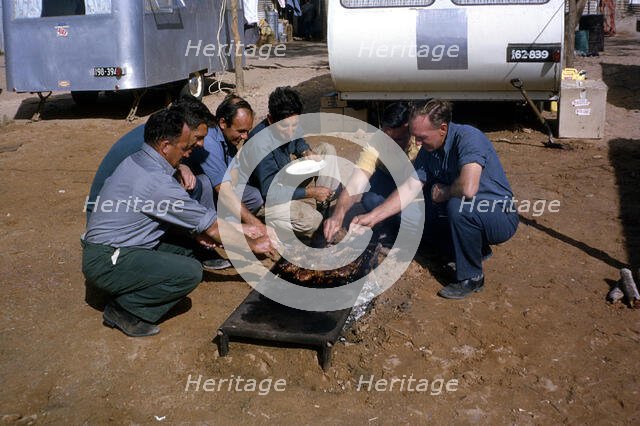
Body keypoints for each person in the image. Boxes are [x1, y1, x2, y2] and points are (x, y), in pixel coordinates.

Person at [82, 107, 274, 338]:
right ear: (165, 146)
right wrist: (252, 244)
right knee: (189, 273)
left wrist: (202, 232)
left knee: (190, 250)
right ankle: (125, 309)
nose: (186, 155)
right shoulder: (157, 183)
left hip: (116, 245)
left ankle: (128, 284)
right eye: (184, 148)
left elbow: (192, 221)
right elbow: (212, 226)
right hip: (107, 259)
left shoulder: (140, 160)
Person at [352, 99, 518, 299]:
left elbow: (468, 188)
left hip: (498, 214)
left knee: (458, 205)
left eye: (422, 137)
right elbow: (410, 188)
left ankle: (472, 277)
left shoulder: (469, 138)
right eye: (415, 137)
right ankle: (471, 249)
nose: (418, 143)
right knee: (416, 212)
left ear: (443, 128)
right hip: (469, 212)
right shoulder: (429, 151)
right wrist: (373, 216)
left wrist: (445, 192)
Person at [244, 86, 341, 239]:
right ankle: (269, 222)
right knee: (313, 222)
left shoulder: (290, 121)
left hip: (283, 177)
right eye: (284, 127)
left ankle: (324, 204)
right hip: (267, 198)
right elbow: (269, 192)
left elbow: (298, 140)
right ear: (270, 119)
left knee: (326, 150)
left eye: (294, 125)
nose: (290, 131)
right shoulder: (259, 145)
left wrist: (305, 151)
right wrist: (310, 192)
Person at [324, 102, 420, 242]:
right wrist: (337, 215)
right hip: (387, 178)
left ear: (410, 131)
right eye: (387, 139)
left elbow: (413, 188)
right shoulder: (377, 141)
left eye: (398, 140)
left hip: (414, 184)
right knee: (371, 200)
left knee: (413, 215)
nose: (390, 145)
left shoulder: (421, 144)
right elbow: (356, 183)